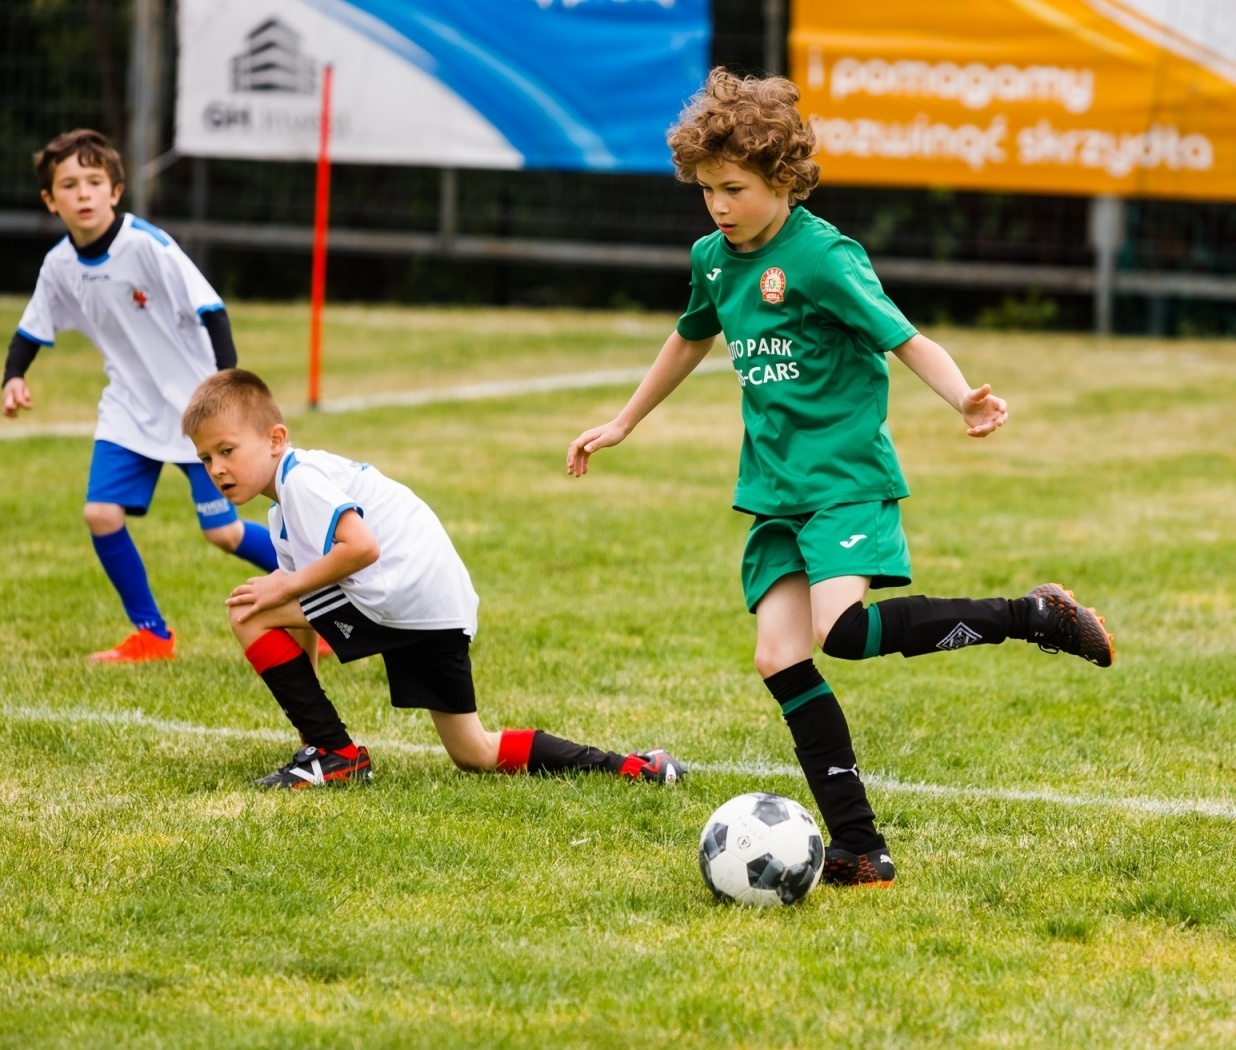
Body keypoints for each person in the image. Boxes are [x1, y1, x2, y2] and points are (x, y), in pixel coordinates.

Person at [566, 68, 1114, 888]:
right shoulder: (713, 260)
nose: (718, 206)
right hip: (775, 492)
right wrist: (624, 421)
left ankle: (1032, 616)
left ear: (784, 179)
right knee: (779, 656)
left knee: (843, 632)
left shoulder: (823, 257)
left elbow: (904, 337)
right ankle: (859, 848)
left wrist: (963, 396)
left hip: (844, 479)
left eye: (735, 189)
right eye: (707, 189)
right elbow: (689, 336)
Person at [183, 369, 686, 790]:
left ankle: (337, 756)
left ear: (275, 439)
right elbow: (305, 619)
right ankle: (634, 767)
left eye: (227, 450)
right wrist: (309, 727)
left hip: (398, 596)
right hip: (433, 603)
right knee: (474, 752)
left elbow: (361, 548)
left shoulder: (300, 479)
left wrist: (283, 587)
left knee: (248, 608)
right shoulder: (283, 509)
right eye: (206, 459)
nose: (217, 469)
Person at [3, 129, 281, 663]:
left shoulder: (147, 245)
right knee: (100, 514)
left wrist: (227, 388)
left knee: (223, 533)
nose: (82, 193)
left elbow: (212, 310)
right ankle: (152, 635)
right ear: (49, 200)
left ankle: (316, 589)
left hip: (196, 410)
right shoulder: (59, 264)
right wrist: (14, 376)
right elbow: (31, 329)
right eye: (68, 185)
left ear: (115, 190)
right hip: (129, 408)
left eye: (93, 181)